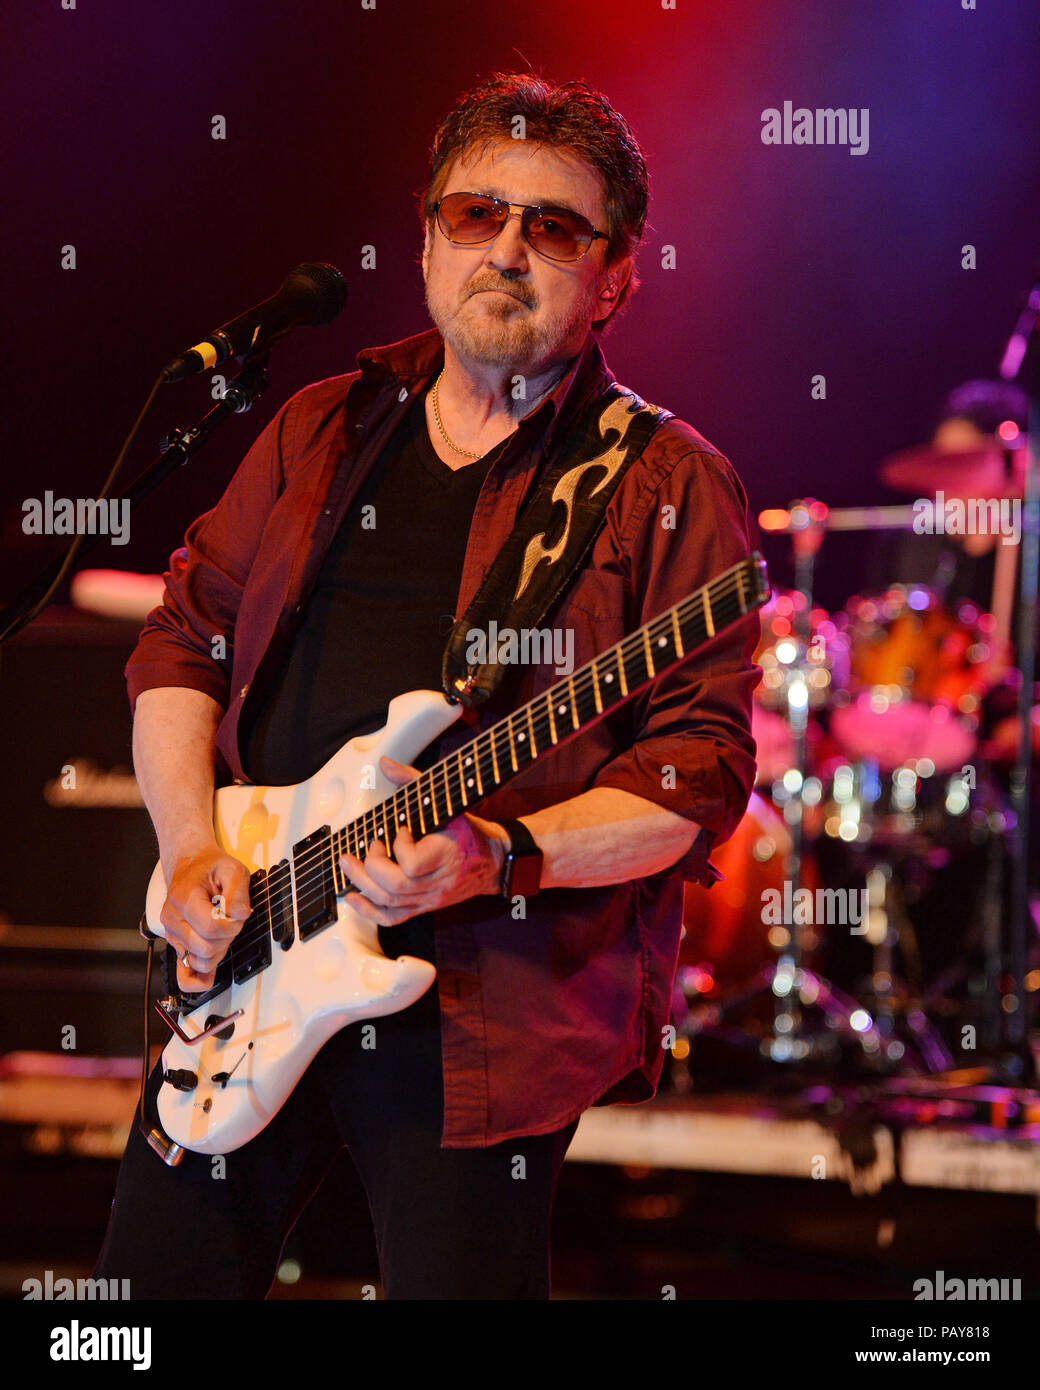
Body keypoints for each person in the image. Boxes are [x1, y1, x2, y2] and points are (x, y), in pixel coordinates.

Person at [94, 71, 758, 1300]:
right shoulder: (321, 424)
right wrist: (191, 850)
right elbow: (182, 643)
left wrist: (496, 854)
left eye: (552, 227)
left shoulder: (664, 481)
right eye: (474, 214)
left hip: (483, 1015)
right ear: (425, 236)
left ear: (615, 274)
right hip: (248, 960)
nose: (506, 249)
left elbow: (694, 773)